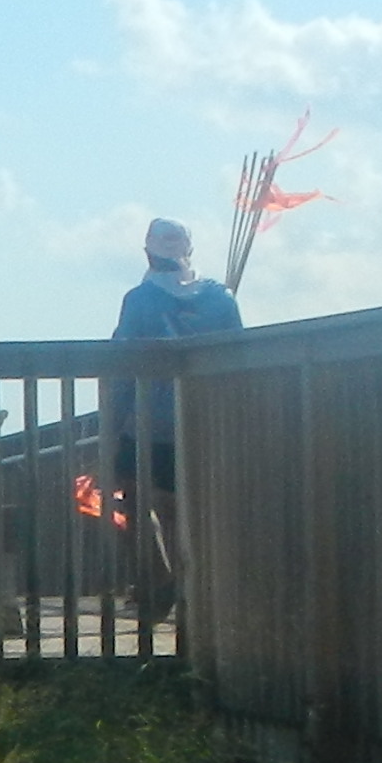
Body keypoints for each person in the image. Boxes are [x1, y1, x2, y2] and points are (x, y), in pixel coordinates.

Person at [106, 217, 241, 624]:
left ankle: (160, 578)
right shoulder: (221, 297)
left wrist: (111, 429)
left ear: (148, 253)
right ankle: (190, 592)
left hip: (151, 420)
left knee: (130, 499)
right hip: (207, 420)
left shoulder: (140, 300)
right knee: (186, 510)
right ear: (189, 250)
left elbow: (122, 366)